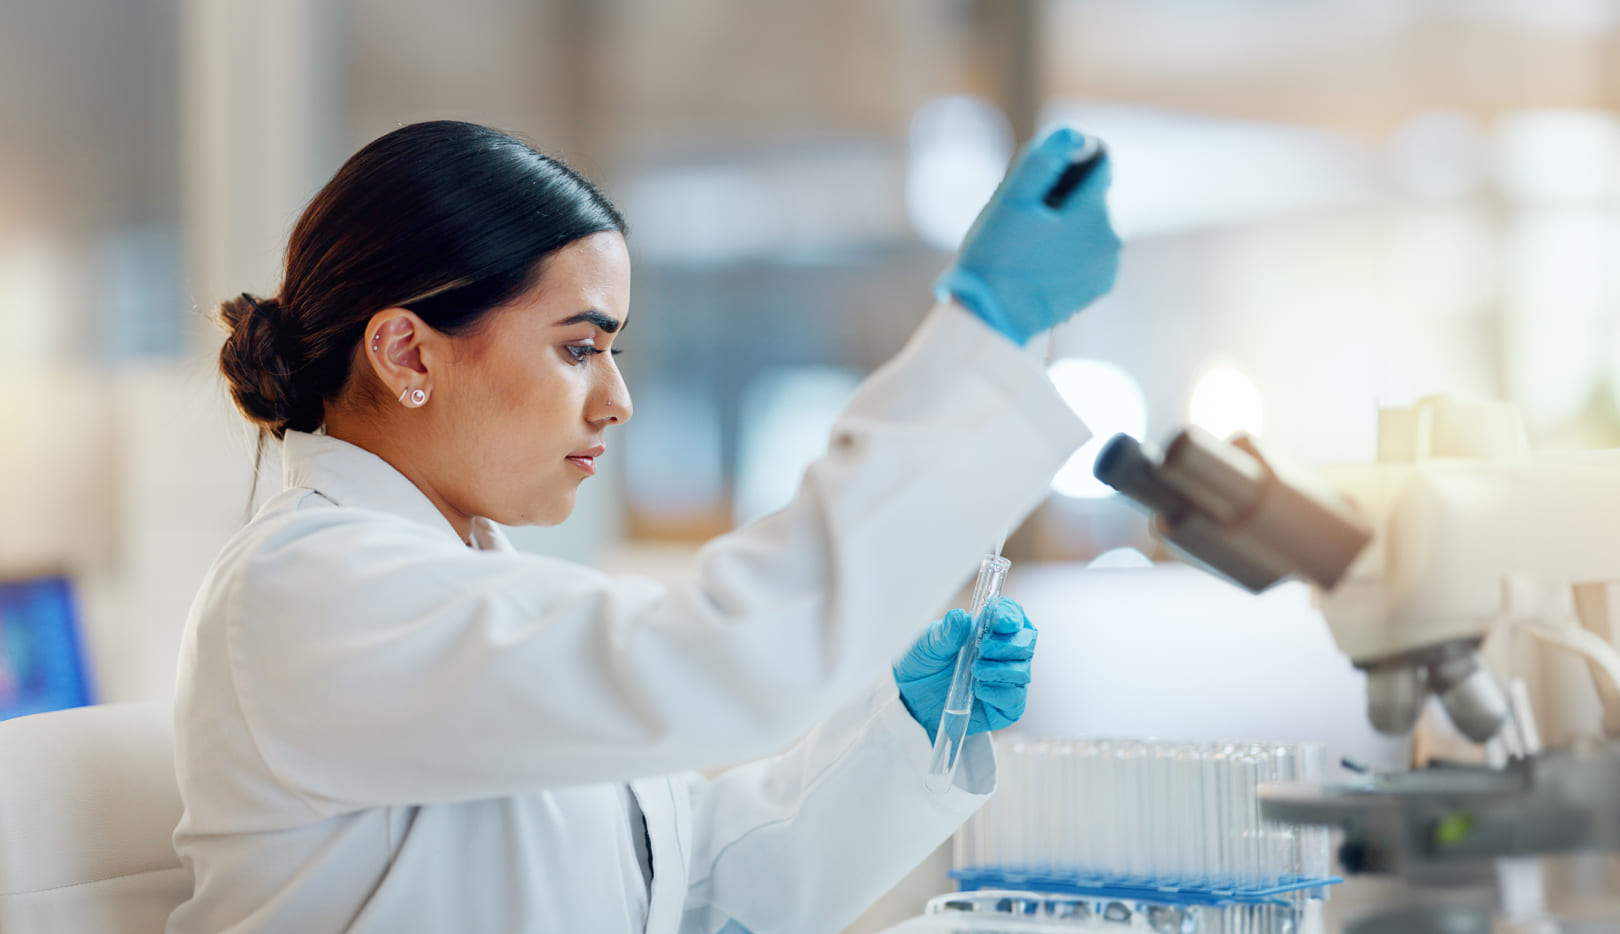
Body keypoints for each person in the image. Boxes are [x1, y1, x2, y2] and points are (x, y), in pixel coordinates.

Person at [168, 119, 1120, 933]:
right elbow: (710, 659)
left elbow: (687, 893)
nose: (617, 401)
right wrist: (983, 336)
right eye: (578, 347)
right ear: (407, 350)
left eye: (614, 350)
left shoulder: (456, 580)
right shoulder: (308, 590)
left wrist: (907, 731)